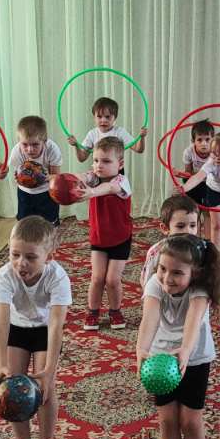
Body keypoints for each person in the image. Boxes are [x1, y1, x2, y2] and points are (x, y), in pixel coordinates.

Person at [137, 234, 220, 439]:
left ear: (194, 272)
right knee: (167, 419)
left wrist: (185, 350)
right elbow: (149, 318)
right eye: (163, 269)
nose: (167, 278)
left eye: (177, 273)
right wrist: (141, 349)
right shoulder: (155, 284)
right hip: (161, 361)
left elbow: (193, 324)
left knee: (190, 420)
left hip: (194, 359)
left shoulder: (200, 290)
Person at [0, 216, 70, 439]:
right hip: (17, 328)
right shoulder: (5, 276)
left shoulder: (57, 277)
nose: (21, 263)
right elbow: (0, 322)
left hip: (45, 330)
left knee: (44, 389)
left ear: (49, 256)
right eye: (15, 254)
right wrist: (1, 364)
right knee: (12, 389)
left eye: (30, 257)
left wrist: (48, 371)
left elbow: (56, 325)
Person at [81, 135, 132, 331]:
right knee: (97, 278)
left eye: (106, 161)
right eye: (95, 160)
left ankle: (115, 311)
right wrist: (58, 179)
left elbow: (110, 187)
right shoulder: (93, 178)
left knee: (112, 280)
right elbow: (80, 177)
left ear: (120, 164)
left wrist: (92, 192)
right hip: (98, 238)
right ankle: (93, 311)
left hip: (120, 238)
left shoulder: (122, 182)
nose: (99, 165)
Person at [5, 114, 63, 224]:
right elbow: (14, 172)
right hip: (25, 193)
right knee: (25, 224)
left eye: (35, 144)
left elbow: (56, 177)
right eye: (25, 144)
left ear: (44, 141)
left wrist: (43, 177)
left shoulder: (52, 149)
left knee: (49, 223)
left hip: (47, 192)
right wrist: (17, 176)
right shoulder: (17, 151)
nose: (30, 149)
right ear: (19, 141)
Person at [181, 132, 220, 247]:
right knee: (216, 224)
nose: (217, 157)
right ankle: (215, 252)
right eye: (214, 153)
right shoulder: (211, 163)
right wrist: (183, 188)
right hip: (213, 190)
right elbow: (197, 177)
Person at [140, 194, 200, 283]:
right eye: (180, 226)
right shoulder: (156, 252)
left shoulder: (201, 250)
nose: (188, 231)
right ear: (165, 228)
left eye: (192, 225)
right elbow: (146, 282)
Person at [71, 95, 146, 160]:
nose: (103, 120)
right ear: (94, 118)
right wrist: (76, 145)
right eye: (99, 117)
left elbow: (138, 149)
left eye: (107, 117)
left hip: (116, 170)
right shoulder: (92, 134)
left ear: (115, 117)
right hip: (98, 169)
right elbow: (82, 158)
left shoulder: (120, 132)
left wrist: (142, 137)